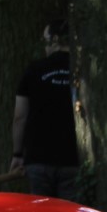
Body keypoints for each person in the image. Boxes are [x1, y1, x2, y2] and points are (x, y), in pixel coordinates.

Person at [11, 19, 79, 200]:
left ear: (55, 39)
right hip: (72, 157)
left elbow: (20, 116)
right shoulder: (80, 69)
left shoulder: (34, 70)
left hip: (38, 158)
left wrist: (17, 153)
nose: (44, 46)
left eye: (45, 40)